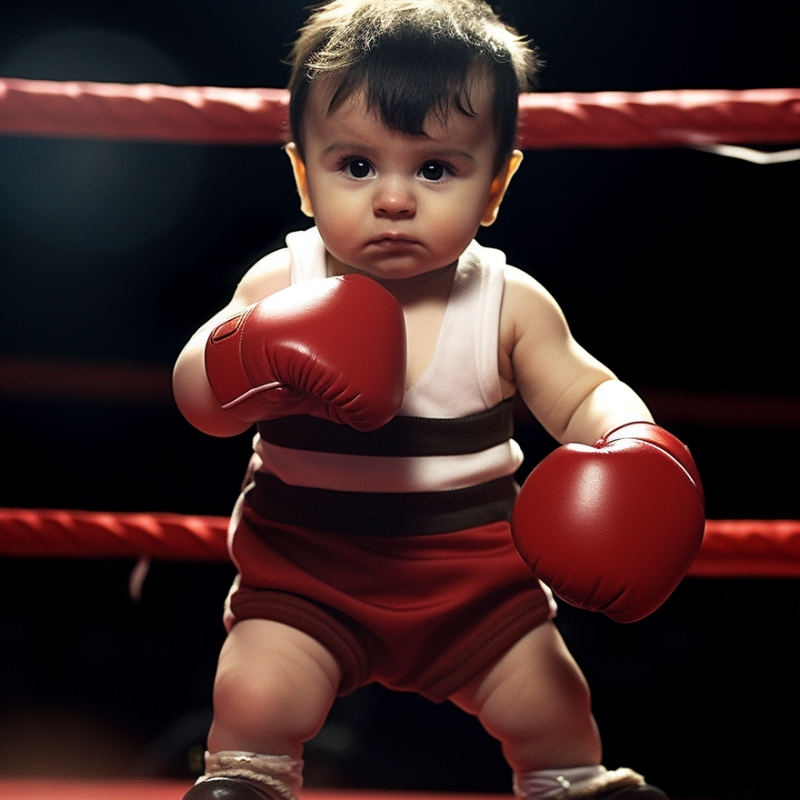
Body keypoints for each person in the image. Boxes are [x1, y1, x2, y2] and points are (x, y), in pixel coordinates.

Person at [172, 2, 705, 799]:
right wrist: (248, 347)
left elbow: (585, 390)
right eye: (356, 165)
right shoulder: (283, 282)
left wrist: (633, 444)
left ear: (495, 184)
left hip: (475, 591)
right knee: (253, 699)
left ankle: (574, 787)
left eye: (434, 169)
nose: (393, 199)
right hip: (307, 577)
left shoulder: (508, 301)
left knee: (556, 709)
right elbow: (200, 397)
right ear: (303, 176)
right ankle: (250, 783)